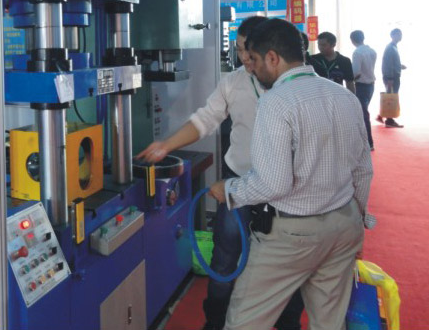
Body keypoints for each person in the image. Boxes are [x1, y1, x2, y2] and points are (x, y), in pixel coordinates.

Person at [136, 16, 304, 330]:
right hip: (237, 185)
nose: (243, 57)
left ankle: (288, 323)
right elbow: (205, 119)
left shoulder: (293, 85)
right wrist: (166, 144)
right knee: (224, 259)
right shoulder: (233, 82)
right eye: (238, 49)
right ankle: (214, 322)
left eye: (247, 50)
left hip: (285, 192)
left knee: (286, 265)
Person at [208, 18, 373, 330]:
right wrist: (357, 218)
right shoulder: (344, 97)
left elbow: (274, 183)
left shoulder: (276, 102)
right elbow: (364, 170)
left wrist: (228, 190)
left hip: (293, 234)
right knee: (329, 321)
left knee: (244, 321)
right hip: (345, 226)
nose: (251, 68)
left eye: (254, 60)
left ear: (272, 57)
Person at [350, 30, 376, 150]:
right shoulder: (372, 51)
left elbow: (356, 72)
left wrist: (349, 78)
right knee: (364, 113)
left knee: (363, 115)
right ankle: (367, 142)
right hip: (371, 85)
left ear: (352, 40)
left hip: (361, 86)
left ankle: (369, 142)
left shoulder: (357, 53)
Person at [378, 28, 406, 128]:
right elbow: (388, 64)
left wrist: (399, 66)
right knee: (391, 98)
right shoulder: (390, 48)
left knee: (390, 96)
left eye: (401, 34)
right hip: (392, 77)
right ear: (393, 35)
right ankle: (389, 120)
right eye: (398, 34)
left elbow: (391, 62)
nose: (400, 36)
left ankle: (383, 115)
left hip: (392, 76)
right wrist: (390, 78)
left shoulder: (393, 47)